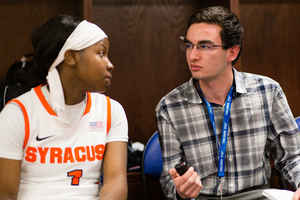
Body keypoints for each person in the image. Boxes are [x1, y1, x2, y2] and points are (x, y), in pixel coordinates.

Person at [155, 6, 300, 200]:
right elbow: (169, 181)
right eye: (189, 45)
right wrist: (180, 191)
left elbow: (293, 157)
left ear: (232, 52)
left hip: (255, 195)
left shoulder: (268, 91)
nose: (192, 56)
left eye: (204, 46)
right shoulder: (169, 107)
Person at [0, 14, 128, 200]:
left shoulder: (111, 111)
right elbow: (6, 194)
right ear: (71, 57)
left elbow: (116, 181)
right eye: (101, 53)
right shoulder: (17, 114)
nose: (110, 65)